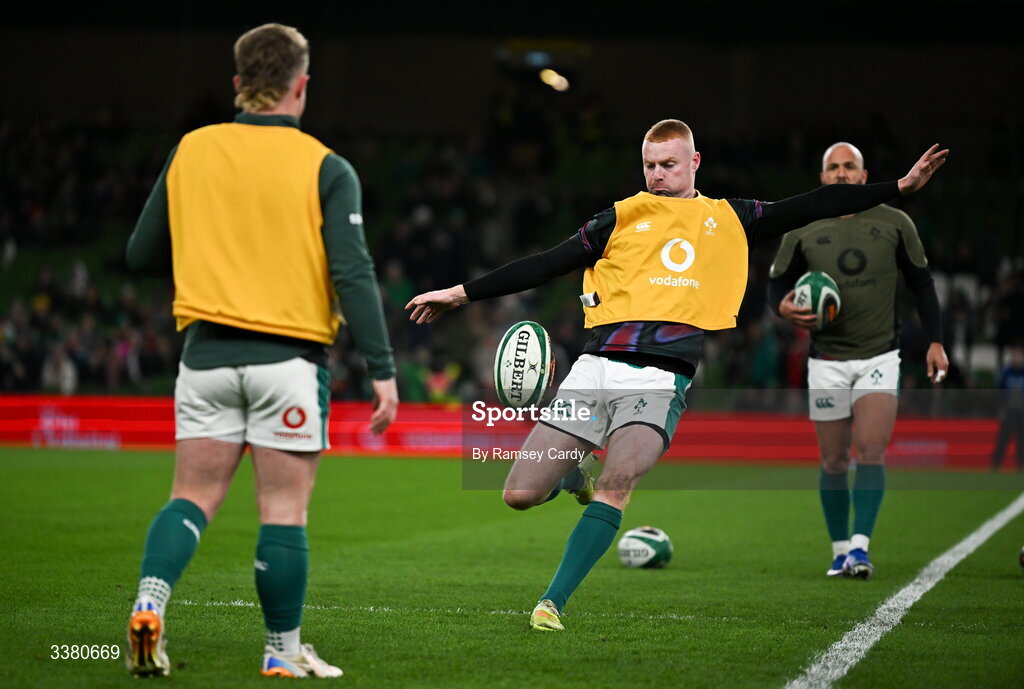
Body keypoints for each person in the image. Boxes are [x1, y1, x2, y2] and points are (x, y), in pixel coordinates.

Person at [407, 120, 947, 630]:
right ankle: (573, 474)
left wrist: (897, 186)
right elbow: (546, 261)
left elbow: (816, 203)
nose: (657, 175)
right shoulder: (618, 217)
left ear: (694, 163)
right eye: (649, 165)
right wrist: (459, 293)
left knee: (617, 484)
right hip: (594, 370)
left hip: (661, 380)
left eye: (668, 164)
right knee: (518, 494)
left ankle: (552, 601)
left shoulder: (731, 217)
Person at [124, 23, 398, 677]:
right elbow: (353, 273)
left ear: (240, 85)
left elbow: (138, 253)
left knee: (191, 495)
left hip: (205, 357)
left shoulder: (193, 149)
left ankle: (148, 606)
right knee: (282, 509)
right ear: (302, 87)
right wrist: (383, 369)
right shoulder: (327, 167)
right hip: (288, 362)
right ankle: (281, 650)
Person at [767, 142, 948, 580]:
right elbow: (776, 288)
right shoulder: (802, 228)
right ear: (822, 177)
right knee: (832, 461)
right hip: (826, 359)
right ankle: (839, 550)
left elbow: (922, 284)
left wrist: (936, 341)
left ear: (865, 177)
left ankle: (861, 549)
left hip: (879, 357)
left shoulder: (895, 222)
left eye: (851, 166)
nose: (843, 173)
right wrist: (785, 309)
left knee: (869, 451)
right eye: (834, 167)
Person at [991, 344, 1024, 472]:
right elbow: (1000, 391)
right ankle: (996, 464)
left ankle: (1021, 465)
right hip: (1009, 410)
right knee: (1003, 438)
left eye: (1019, 354)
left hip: (1022, 411)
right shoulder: (1006, 372)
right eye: (1014, 354)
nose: (1017, 357)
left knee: (1022, 440)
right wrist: (1001, 408)